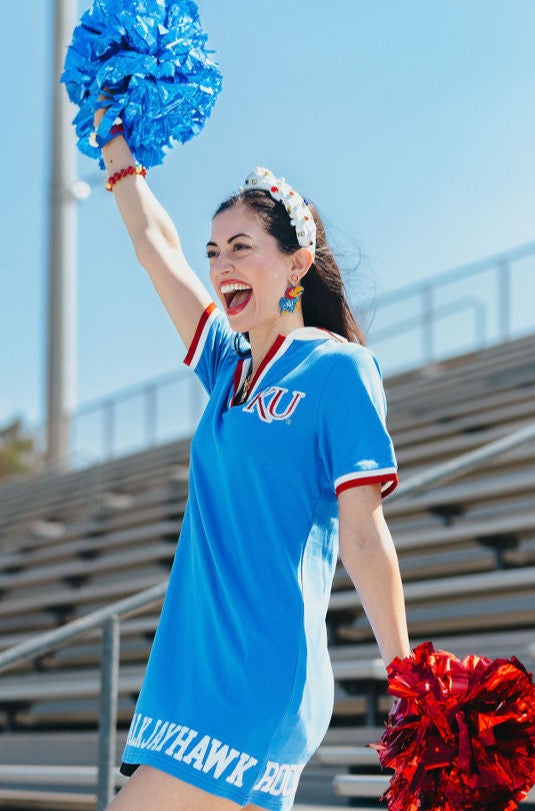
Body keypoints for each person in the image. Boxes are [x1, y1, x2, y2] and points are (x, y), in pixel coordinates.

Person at [94, 104, 411, 811]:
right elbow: (154, 246)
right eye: (213, 253)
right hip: (192, 671)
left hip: (258, 677)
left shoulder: (339, 369)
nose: (220, 266)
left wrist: (406, 676)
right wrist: (114, 142)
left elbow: (362, 534)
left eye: (239, 247)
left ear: (295, 263)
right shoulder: (225, 366)